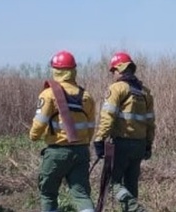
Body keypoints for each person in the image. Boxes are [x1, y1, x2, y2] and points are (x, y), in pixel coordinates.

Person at [29, 51, 96, 212]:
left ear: (55, 70)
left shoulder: (48, 94)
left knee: (48, 193)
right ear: (73, 70)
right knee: (81, 193)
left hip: (57, 152)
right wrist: (83, 143)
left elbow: (39, 124)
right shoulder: (86, 96)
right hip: (81, 151)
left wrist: (33, 136)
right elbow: (91, 127)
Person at [94, 52, 155, 212]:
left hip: (122, 144)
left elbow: (108, 116)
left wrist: (99, 139)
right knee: (131, 184)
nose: (113, 74)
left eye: (113, 71)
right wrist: (148, 144)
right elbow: (150, 122)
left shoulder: (117, 88)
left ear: (120, 69)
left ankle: (137, 210)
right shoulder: (145, 92)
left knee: (112, 184)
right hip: (140, 145)